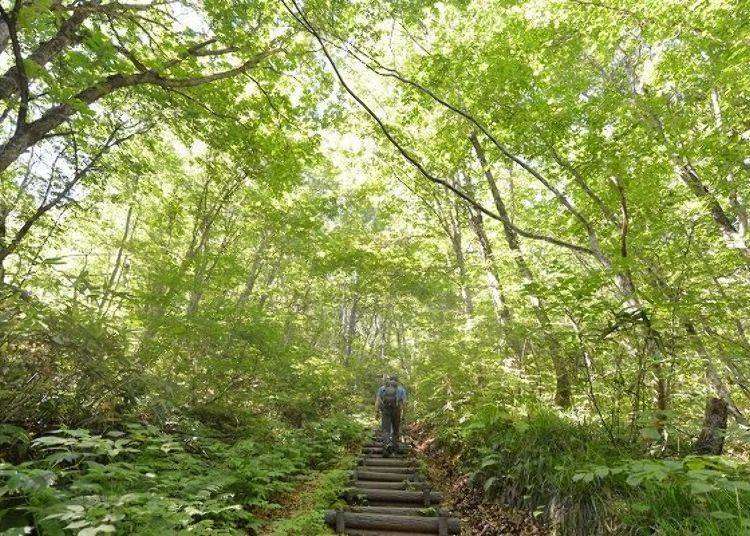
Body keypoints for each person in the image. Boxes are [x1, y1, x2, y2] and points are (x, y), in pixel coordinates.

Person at [375, 375, 407, 452]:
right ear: (397, 381)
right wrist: (403, 414)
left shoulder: (382, 389)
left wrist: (376, 412)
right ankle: (395, 446)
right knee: (396, 429)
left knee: (386, 429)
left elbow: (378, 401)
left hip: (385, 411)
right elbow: (404, 403)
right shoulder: (401, 390)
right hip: (396, 411)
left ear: (390, 380)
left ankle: (386, 446)